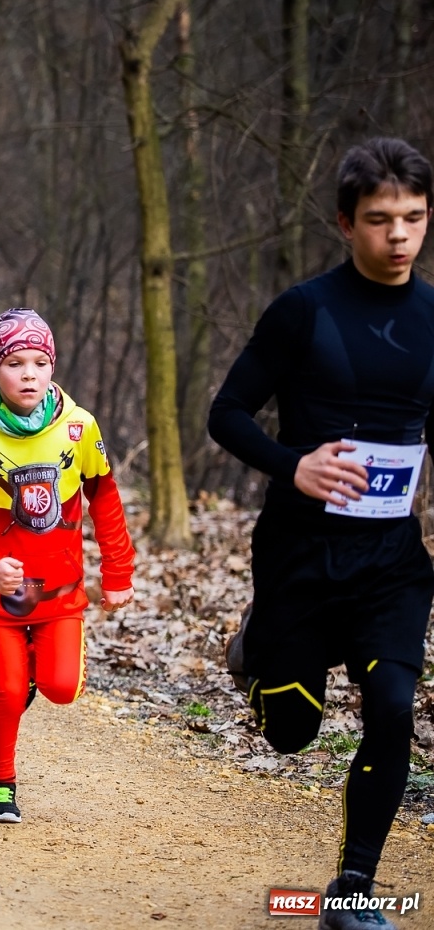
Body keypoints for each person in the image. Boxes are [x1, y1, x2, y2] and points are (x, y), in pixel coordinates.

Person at [209, 138, 434, 929]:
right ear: (346, 222)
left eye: (413, 217)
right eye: (379, 220)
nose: (399, 236)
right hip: (302, 552)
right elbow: (226, 413)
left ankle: (351, 892)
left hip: (391, 560)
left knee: (394, 704)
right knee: (292, 734)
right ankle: (255, 649)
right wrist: (291, 464)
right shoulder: (304, 311)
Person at [0, 309, 134, 824]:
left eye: (40, 362)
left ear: (53, 369)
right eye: (16, 363)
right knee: (4, 689)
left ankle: (33, 674)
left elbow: (106, 503)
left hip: (61, 593)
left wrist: (118, 574)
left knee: (62, 688)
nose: (29, 374)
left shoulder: (79, 428)